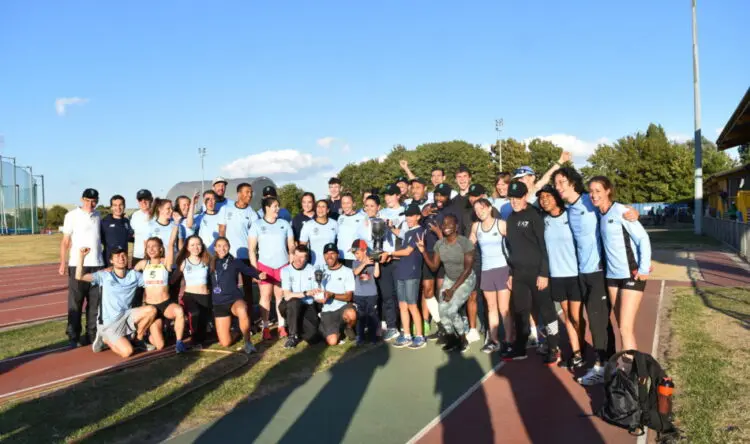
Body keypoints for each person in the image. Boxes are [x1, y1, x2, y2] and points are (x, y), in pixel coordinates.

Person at [552, 166, 640, 385]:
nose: (558, 187)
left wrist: (631, 212)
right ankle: (609, 364)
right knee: (598, 322)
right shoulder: (567, 208)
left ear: (573, 182)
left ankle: (602, 367)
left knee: (597, 321)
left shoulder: (589, 200)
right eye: (555, 183)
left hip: (599, 271)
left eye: (562, 182)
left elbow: (613, 208)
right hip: (581, 272)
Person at [589, 176, 652, 354]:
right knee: (622, 326)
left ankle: (630, 369)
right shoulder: (599, 214)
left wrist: (644, 268)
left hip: (631, 274)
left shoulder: (621, 211)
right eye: (591, 191)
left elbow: (643, 238)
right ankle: (627, 364)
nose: (594, 195)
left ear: (608, 191)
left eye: (598, 191)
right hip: (612, 277)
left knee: (625, 328)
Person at [503, 181, 562, 365]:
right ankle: (520, 347)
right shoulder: (510, 218)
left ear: (525, 197)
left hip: (537, 274)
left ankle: (554, 347)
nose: (514, 201)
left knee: (547, 311)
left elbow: (544, 245)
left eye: (517, 198)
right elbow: (511, 249)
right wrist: (511, 273)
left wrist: (543, 273)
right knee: (520, 311)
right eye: (511, 198)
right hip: (519, 275)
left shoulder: (535, 215)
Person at [75, 247, 157, 358]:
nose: (121, 258)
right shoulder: (104, 275)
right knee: (127, 352)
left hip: (126, 316)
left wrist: (156, 263)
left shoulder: (135, 275)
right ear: (111, 261)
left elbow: (154, 284)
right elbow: (79, 276)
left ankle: (138, 339)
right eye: (117, 256)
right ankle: (105, 339)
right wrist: (81, 257)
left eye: (123, 255)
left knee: (151, 311)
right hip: (109, 324)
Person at [537, 185, 584, 369]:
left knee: (576, 316)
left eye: (548, 196)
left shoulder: (570, 215)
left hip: (575, 274)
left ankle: (582, 348)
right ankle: (577, 353)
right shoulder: (544, 220)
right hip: (557, 276)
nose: (544, 200)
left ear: (557, 197)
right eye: (541, 197)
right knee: (567, 315)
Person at [417, 214, 475, 353]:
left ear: (456, 227)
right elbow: (434, 267)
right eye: (444, 224)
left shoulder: (465, 243)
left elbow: (467, 270)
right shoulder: (439, 245)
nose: (446, 227)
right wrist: (423, 251)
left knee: (452, 310)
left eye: (450, 224)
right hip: (450, 279)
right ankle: (451, 339)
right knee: (442, 309)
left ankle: (463, 339)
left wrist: (452, 290)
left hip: (466, 279)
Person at [60, 188, 104, 348]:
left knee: (95, 303)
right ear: (81, 199)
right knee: (75, 303)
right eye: (87, 200)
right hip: (77, 265)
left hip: (97, 265)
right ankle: (73, 336)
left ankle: (92, 334)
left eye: (93, 201)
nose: (90, 204)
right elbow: (65, 241)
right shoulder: (71, 216)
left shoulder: (98, 216)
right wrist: (63, 263)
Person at [419, 183, 463, 340]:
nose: (439, 198)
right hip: (428, 253)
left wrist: (439, 233)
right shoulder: (429, 208)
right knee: (427, 291)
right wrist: (423, 215)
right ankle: (441, 326)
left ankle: (451, 329)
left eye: (442, 195)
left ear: (448, 196)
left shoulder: (453, 212)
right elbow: (419, 226)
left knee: (442, 292)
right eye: (437, 194)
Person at [249, 196, 295, 340]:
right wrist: (255, 270)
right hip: (265, 267)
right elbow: (252, 250)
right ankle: (266, 327)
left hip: (282, 266)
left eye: (278, 206)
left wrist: (291, 264)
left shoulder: (284, 224)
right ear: (267, 208)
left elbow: (291, 246)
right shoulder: (257, 225)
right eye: (275, 206)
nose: (278, 208)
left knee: (280, 296)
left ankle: (281, 326)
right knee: (265, 296)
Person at [470, 198, 512, 354]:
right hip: (486, 271)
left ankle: (509, 340)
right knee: (491, 307)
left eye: (481, 208)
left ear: (489, 208)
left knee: (504, 308)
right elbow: (468, 245)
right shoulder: (476, 227)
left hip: (502, 269)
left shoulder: (501, 224)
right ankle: (494, 341)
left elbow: (513, 245)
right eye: (476, 210)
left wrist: (513, 270)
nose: (479, 212)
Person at [357, 190, 399, 341]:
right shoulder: (362, 224)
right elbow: (365, 244)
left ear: (378, 207)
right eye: (367, 206)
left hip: (388, 262)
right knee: (379, 295)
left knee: (389, 295)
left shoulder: (385, 221)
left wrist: (387, 254)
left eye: (372, 206)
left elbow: (391, 243)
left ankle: (393, 326)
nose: (369, 208)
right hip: (373, 263)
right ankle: (382, 325)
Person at [383, 204, 427, 349]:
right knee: (402, 305)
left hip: (412, 273)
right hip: (401, 272)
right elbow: (400, 240)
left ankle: (419, 336)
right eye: (407, 216)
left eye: (411, 216)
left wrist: (390, 253)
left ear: (418, 217)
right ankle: (407, 334)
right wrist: (390, 228)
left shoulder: (419, 231)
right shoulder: (408, 232)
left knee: (412, 305)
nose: (408, 218)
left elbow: (408, 251)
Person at [211, 237, 266, 353]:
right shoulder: (210, 263)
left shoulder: (235, 262)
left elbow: (248, 270)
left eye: (225, 245)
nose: (222, 248)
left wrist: (258, 275)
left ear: (229, 247)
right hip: (219, 304)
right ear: (215, 248)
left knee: (242, 309)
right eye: (219, 246)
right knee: (225, 343)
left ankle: (248, 342)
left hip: (234, 300)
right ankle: (237, 331)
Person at [134, 235, 187, 353]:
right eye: (149, 247)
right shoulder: (143, 264)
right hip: (152, 307)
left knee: (179, 311)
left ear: (161, 249)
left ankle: (179, 342)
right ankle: (149, 336)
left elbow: (171, 244)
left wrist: (175, 227)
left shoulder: (165, 262)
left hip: (166, 305)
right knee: (160, 345)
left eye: (154, 246)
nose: (151, 249)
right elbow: (129, 277)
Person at [223, 182, 260, 308]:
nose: (250, 195)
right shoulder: (226, 209)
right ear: (239, 194)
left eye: (251, 192)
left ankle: (249, 315)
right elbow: (222, 231)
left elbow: (255, 237)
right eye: (247, 192)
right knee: (230, 286)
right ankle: (231, 312)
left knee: (248, 287)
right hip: (230, 256)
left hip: (246, 256)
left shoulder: (252, 214)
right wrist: (222, 252)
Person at [279, 245, 322, 348]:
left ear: (306, 258)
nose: (298, 260)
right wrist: (306, 293)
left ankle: (297, 325)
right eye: (297, 256)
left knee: (313, 338)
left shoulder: (313, 269)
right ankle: (292, 336)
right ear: (293, 255)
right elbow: (287, 295)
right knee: (294, 302)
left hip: (308, 305)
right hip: (290, 304)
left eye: (302, 257)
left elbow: (317, 292)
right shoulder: (286, 271)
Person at [317, 243, 358, 346]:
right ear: (323, 256)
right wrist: (318, 298)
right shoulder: (320, 272)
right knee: (332, 342)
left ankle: (348, 327)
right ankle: (333, 329)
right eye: (326, 254)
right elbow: (316, 293)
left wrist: (332, 295)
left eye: (332, 253)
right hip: (327, 311)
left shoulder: (347, 271)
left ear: (338, 255)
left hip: (343, 308)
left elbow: (348, 297)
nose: (329, 256)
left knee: (351, 314)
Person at [175, 235, 212, 346]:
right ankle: (193, 338)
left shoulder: (207, 261)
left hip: (204, 296)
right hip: (190, 296)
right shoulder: (184, 262)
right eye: (192, 245)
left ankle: (199, 340)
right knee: (195, 313)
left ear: (202, 246)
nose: (196, 247)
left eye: (198, 244)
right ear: (187, 247)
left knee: (203, 321)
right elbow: (173, 280)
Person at [147, 197, 184, 301]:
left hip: (173, 267)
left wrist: (179, 265)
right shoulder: (151, 226)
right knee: (159, 297)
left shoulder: (176, 225)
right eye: (168, 208)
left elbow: (180, 248)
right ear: (160, 209)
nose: (171, 211)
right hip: (158, 267)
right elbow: (148, 248)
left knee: (173, 296)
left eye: (172, 208)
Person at [350, 240, 380, 345]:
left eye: (357, 253)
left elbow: (376, 275)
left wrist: (377, 262)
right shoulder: (355, 262)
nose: (356, 255)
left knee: (372, 315)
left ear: (365, 251)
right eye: (354, 253)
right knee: (360, 316)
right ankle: (360, 337)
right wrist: (364, 263)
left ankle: (373, 337)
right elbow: (356, 272)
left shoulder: (372, 261)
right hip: (359, 294)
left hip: (371, 294)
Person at [299, 199, 339, 267]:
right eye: (318, 206)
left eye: (323, 207)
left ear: (328, 210)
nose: (320, 209)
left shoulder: (334, 224)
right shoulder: (308, 225)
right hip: (314, 265)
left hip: (331, 265)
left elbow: (339, 242)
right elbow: (302, 247)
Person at [100, 194, 132, 267]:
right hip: (108, 262)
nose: (118, 208)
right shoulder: (104, 222)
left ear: (124, 206)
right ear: (111, 207)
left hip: (123, 261)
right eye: (115, 205)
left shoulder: (126, 221)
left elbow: (130, 237)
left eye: (121, 205)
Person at [191, 190, 226, 254]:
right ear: (204, 201)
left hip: (219, 254)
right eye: (207, 199)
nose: (210, 202)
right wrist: (193, 203)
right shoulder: (200, 217)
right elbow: (189, 224)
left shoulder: (222, 215)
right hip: (205, 254)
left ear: (216, 200)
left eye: (213, 199)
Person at [336, 192, 365, 268]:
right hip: (340, 257)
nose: (345, 206)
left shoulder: (362, 218)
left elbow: (366, 239)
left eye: (348, 203)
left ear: (354, 204)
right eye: (343, 203)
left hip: (354, 258)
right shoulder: (340, 218)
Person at [130, 189, 154, 268]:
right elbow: (133, 234)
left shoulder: (158, 215)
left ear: (151, 199)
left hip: (154, 256)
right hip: (138, 256)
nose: (143, 202)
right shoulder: (135, 215)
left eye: (146, 199)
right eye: (140, 199)